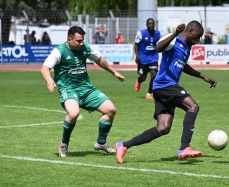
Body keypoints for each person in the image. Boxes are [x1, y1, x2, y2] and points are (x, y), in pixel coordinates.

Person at [114, 21, 217, 164]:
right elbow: (158, 47)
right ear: (191, 31)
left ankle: (123, 145)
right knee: (193, 107)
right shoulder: (174, 40)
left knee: (163, 128)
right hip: (165, 85)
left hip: (162, 88)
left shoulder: (187, 47)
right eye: (197, 36)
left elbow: (183, 65)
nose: (198, 40)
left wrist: (202, 76)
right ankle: (184, 147)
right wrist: (175, 33)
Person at [40, 26, 125, 157]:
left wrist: (114, 72)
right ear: (69, 39)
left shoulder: (85, 47)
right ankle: (64, 144)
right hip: (68, 89)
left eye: (82, 40)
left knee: (111, 110)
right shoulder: (59, 51)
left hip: (86, 88)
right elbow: (45, 67)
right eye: (78, 41)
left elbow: (99, 59)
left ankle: (101, 143)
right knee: (74, 114)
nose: (81, 43)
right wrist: (49, 80)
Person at [134, 18, 161, 99]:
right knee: (143, 77)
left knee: (153, 74)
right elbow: (136, 45)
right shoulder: (141, 33)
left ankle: (149, 93)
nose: (151, 25)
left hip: (153, 57)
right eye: (149, 24)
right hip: (143, 58)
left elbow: (161, 43)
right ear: (147, 25)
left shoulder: (158, 34)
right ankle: (139, 81)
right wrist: (137, 56)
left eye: (152, 24)